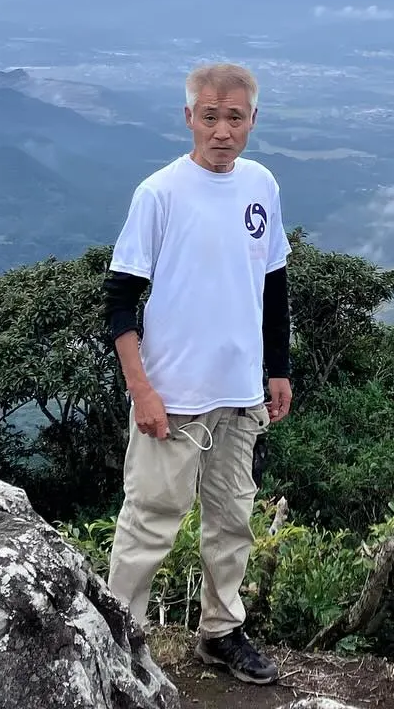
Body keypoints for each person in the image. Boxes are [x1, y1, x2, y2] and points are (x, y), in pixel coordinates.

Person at [104, 61, 292, 686]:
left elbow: (274, 285)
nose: (221, 129)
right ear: (189, 117)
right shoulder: (159, 193)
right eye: (209, 116)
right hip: (174, 391)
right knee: (151, 516)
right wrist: (142, 389)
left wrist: (278, 370)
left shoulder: (261, 185)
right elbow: (120, 300)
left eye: (234, 117)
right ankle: (117, 638)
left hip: (240, 390)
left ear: (252, 121)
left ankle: (221, 630)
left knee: (233, 516)